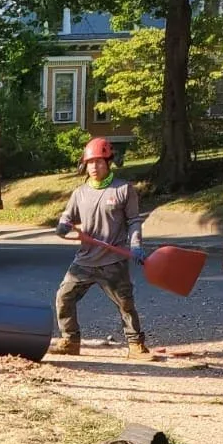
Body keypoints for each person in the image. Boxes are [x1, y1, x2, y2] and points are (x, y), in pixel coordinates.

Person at [52, 137, 150, 358]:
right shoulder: (79, 193)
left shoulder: (123, 189)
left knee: (125, 304)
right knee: (64, 297)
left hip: (113, 260)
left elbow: (133, 220)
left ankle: (136, 346)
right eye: (90, 163)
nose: (94, 167)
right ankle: (70, 340)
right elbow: (68, 217)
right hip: (84, 260)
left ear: (109, 163)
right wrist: (63, 225)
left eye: (99, 162)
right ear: (84, 165)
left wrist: (135, 244)